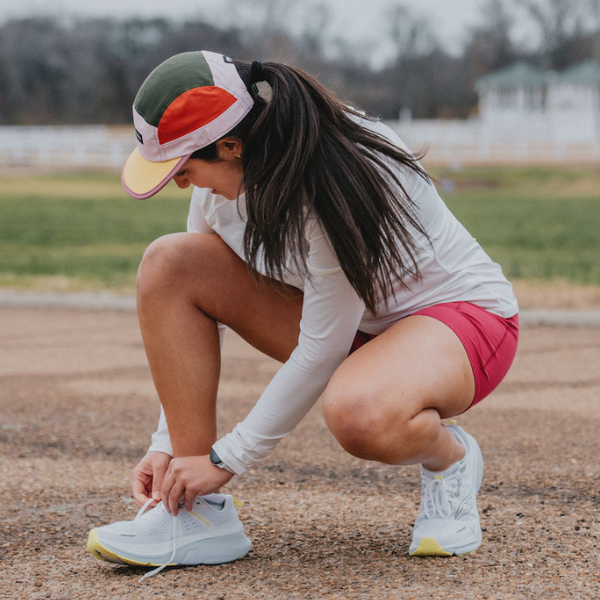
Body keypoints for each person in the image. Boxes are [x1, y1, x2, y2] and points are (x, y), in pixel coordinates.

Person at [87, 50, 519, 578]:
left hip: (460, 319)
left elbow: (322, 349)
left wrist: (225, 461)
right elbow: (198, 304)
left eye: (183, 168)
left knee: (360, 413)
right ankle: (197, 516)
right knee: (168, 265)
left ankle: (449, 458)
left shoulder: (336, 176)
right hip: (353, 326)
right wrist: (172, 450)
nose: (181, 183)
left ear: (229, 145)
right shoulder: (224, 175)